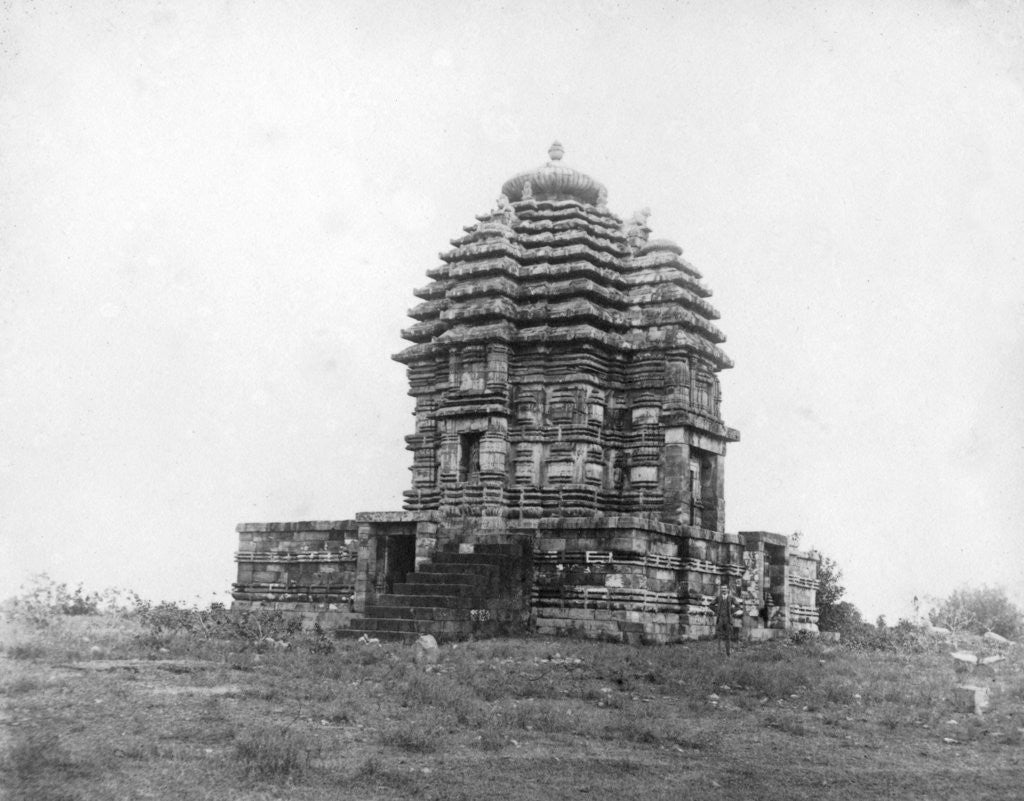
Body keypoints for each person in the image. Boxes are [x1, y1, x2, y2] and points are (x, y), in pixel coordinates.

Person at [710, 581, 740, 656]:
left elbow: (738, 606)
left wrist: (731, 612)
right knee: (719, 636)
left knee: (728, 636)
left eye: (725, 588)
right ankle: (719, 652)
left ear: (727, 589)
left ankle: (728, 653)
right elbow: (711, 605)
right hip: (720, 619)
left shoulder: (731, 598)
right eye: (722, 588)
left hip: (728, 619)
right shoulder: (718, 597)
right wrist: (717, 611)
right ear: (720, 589)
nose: (723, 590)